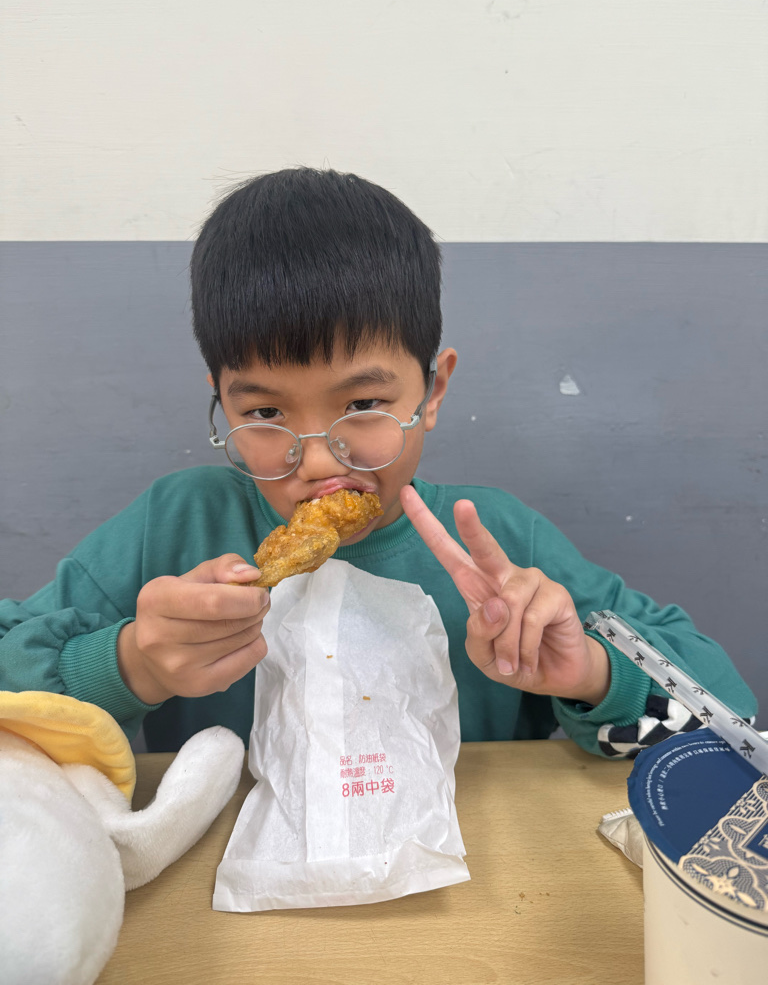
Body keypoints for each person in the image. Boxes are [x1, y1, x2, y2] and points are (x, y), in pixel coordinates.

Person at [0, 168, 756, 755]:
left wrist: (590, 673)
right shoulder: (175, 525)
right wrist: (131, 664)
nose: (318, 459)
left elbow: (732, 726)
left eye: (362, 403)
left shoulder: (497, 542)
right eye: (263, 414)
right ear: (222, 404)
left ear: (433, 391)